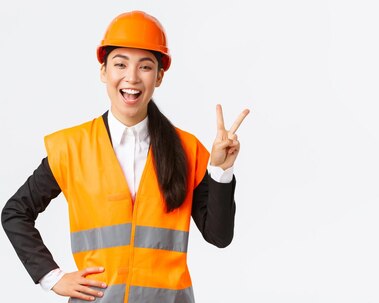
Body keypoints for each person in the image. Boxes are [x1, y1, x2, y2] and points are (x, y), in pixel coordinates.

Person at [1, 10, 249, 303]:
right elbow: (15, 213)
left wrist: (220, 171)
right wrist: (52, 277)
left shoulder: (186, 149)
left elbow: (219, 236)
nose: (131, 77)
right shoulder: (71, 147)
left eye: (145, 67)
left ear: (158, 77)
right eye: (120, 64)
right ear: (104, 71)